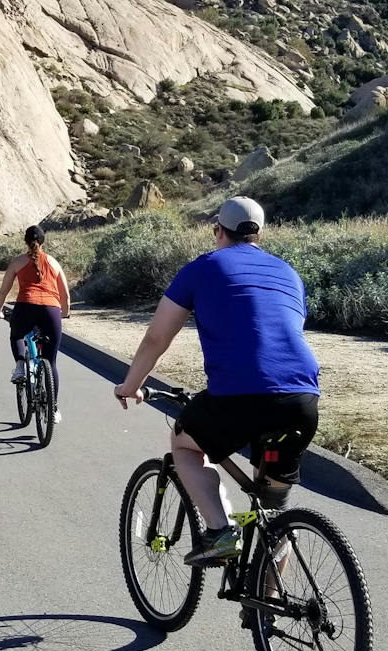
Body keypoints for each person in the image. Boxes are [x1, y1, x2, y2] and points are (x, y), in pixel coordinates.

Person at [113, 196, 320, 566]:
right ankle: (267, 610)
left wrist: (130, 385)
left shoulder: (202, 268)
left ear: (217, 231)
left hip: (240, 396)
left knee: (184, 443)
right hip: (301, 399)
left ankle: (219, 531)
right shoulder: (287, 272)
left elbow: (156, 339)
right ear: (259, 235)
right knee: (274, 514)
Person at [0, 225, 71, 423]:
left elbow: (3, 291)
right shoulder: (53, 262)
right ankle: (53, 410)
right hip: (51, 310)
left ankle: (20, 367)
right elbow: (66, 296)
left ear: (25, 241)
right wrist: (64, 315)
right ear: (43, 241)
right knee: (50, 362)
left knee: (17, 334)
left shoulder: (17, 262)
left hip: (25, 307)